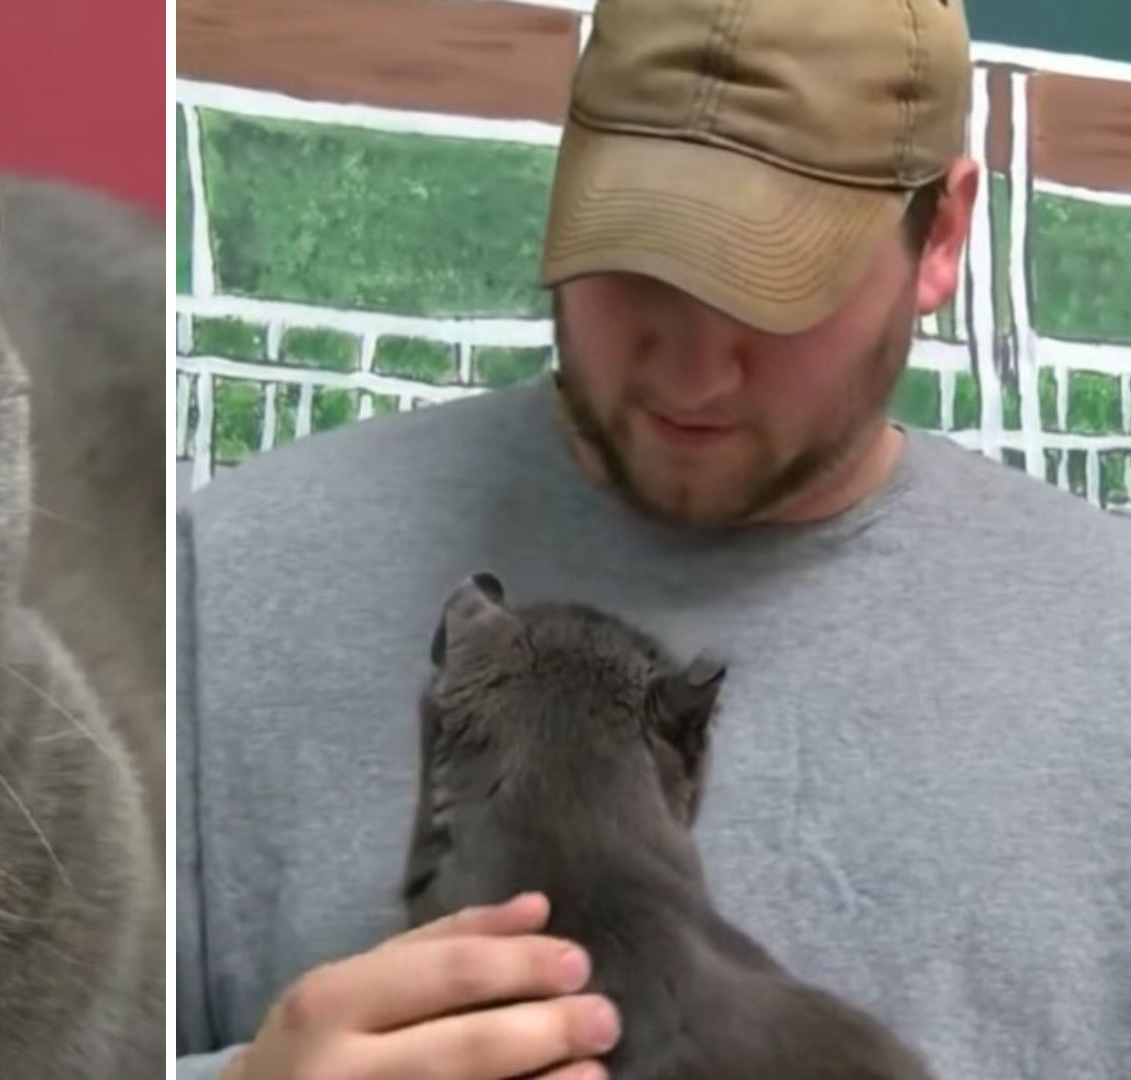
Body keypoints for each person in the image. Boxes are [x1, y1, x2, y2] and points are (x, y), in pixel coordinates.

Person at [175, 0, 1131, 1076]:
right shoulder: (225, 577)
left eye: (780, 287)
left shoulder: (1111, 655)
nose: (690, 372)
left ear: (941, 237)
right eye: (639, 258)